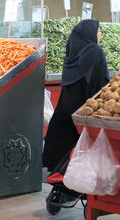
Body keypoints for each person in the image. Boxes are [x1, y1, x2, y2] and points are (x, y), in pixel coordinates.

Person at [43, 19, 109, 171]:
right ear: (90, 33)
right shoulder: (95, 51)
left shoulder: (72, 50)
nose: (100, 34)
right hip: (84, 110)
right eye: (98, 31)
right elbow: (99, 84)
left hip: (64, 113)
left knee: (62, 162)